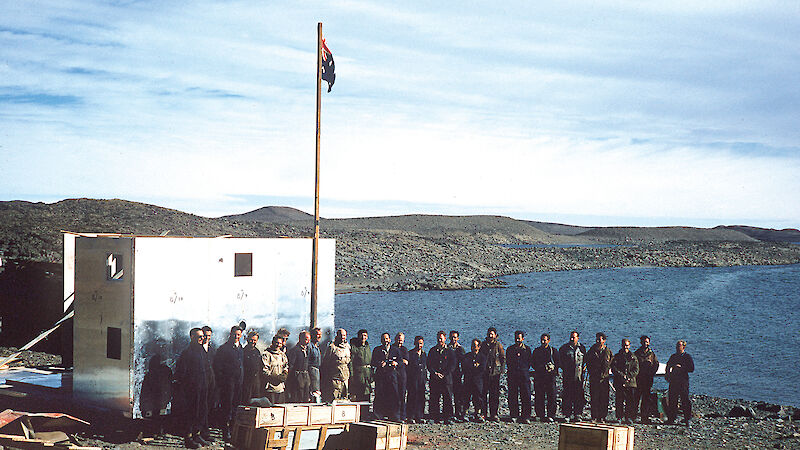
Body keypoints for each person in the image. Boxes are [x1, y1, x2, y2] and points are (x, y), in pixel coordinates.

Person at [176, 328, 210, 449]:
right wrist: (188, 386)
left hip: (202, 388)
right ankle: (188, 438)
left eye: (202, 337)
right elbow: (181, 373)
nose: (202, 339)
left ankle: (197, 434)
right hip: (192, 390)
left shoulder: (202, 351)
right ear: (192, 337)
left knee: (201, 412)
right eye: (199, 337)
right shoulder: (187, 353)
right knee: (191, 414)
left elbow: (207, 369)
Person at [213, 325, 244, 441]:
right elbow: (218, 367)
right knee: (227, 408)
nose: (237, 336)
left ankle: (232, 430)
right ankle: (225, 432)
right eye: (235, 334)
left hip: (238, 383)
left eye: (239, 335)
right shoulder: (224, 349)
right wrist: (224, 381)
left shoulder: (240, 348)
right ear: (230, 334)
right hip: (228, 384)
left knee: (235, 407)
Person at [427, 330, 457, 424]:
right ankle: (434, 416)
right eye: (438, 338)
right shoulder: (432, 350)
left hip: (446, 379)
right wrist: (435, 373)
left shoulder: (450, 351)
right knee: (434, 398)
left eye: (441, 338)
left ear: (445, 338)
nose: (440, 340)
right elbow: (429, 364)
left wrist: (444, 374)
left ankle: (447, 417)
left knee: (447, 398)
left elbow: (453, 364)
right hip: (435, 378)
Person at [665, 340, 694, 426]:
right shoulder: (673, 356)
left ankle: (687, 419)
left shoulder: (687, 357)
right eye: (677, 346)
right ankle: (671, 418)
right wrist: (667, 374)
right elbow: (668, 365)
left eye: (679, 346)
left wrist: (681, 367)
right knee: (672, 400)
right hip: (674, 381)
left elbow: (691, 368)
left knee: (685, 400)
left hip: (683, 381)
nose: (677, 348)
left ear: (683, 347)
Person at [559, 331, 587, 422]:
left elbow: (586, 361)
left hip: (578, 377)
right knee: (567, 395)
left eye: (574, 337)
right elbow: (560, 361)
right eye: (571, 337)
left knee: (578, 395)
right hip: (568, 376)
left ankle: (578, 414)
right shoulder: (564, 348)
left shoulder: (582, 348)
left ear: (577, 338)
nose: (572, 339)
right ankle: (567, 414)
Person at [479, 327, 505, 422]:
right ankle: (484, 413)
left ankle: (494, 414)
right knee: (483, 394)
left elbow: (503, 358)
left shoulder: (498, 345)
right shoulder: (483, 345)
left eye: (492, 334)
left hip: (495, 373)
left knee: (494, 395)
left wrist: (501, 370)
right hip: (485, 373)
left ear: (495, 335)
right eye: (489, 334)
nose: (490, 335)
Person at [506, 330, 533, 423]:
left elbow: (530, 362)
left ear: (523, 339)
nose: (517, 340)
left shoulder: (527, 349)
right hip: (513, 375)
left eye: (519, 338)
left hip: (524, 376)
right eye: (516, 338)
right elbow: (508, 362)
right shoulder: (510, 349)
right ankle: (514, 414)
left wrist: (524, 369)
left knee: (526, 395)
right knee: (513, 395)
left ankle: (526, 416)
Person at [585, 332, 613, 422]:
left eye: (600, 339)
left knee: (604, 398)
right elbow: (587, 362)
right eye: (597, 339)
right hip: (594, 378)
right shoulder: (591, 351)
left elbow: (612, 363)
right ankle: (594, 416)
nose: (597, 340)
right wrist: (592, 372)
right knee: (594, 398)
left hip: (604, 378)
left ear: (604, 340)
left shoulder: (608, 351)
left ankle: (602, 417)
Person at [532, 333, 559, 422]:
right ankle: (540, 414)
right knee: (539, 396)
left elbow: (558, 363)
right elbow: (533, 363)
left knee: (552, 396)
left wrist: (553, 369)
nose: (543, 342)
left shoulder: (553, 351)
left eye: (545, 340)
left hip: (550, 377)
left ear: (549, 340)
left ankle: (551, 415)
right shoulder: (537, 351)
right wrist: (541, 368)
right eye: (542, 340)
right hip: (539, 377)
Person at [611, 338, 639, 424]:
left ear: (629, 346)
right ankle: (619, 417)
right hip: (619, 382)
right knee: (619, 401)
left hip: (630, 383)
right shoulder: (617, 356)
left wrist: (629, 376)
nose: (625, 347)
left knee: (630, 401)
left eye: (627, 345)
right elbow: (614, 368)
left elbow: (636, 369)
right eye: (624, 345)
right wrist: (621, 375)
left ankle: (628, 417)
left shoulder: (633, 357)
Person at [371, 332, 399, 419]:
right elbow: (373, 362)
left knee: (393, 395)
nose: (385, 341)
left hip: (391, 375)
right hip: (381, 376)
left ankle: (393, 415)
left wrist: (395, 363)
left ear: (390, 340)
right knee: (379, 394)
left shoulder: (395, 350)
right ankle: (378, 415)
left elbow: (401, 362)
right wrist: (380, 364)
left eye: (386, 339)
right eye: (383, 339)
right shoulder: (377, 350)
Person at [634, 335, 659, 424]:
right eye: (644, 342)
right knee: (636, 398)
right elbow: (634, 365)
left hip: (648, 380)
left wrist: (651, 373)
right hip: (639, 379)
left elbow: (656, 365)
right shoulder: (637, 353)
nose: (645, 344)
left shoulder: (652, 354)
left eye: (647, 342)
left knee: (646, 399)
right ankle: (633, 416)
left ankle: (644, 417)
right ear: (641, 342)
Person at [322, 328, 351, 402]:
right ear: (337, 336)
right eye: (340, 335)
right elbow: (326, 362)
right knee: (334, 397)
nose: (342, 337)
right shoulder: (332, 347)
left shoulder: (347, 347)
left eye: (344, 335)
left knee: (345, 396)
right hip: (335, 376)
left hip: (345, 376)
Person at [462, 339, 487, 422]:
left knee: (478, 397)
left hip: (478, 380)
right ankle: (465, 413)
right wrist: (474, 366)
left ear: (479, 347)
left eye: (475, 345)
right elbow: (465, 367)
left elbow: (482, 369)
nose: (473, 347)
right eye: (472, 345)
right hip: (468, 380)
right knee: (466, 397)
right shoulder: (467, 356)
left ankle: (478, 413)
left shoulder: (482, 357)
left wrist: (473, 367)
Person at [406, 336, 427, 424]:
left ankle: (419, 416)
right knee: (412, 397)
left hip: (422, 379)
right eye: (418, 343)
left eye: (421, 343)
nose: (419, 345)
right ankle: (410, 416)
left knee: (421, 397)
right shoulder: (410, 353)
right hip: (412, 379)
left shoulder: (424, 354)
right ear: (414, 343)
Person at [263, 335, 289, 405]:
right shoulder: (266, 354)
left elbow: (285, 366)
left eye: (280, 343)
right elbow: (265, 370)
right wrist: (275, 378)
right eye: (276, 343)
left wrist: (285, 374)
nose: (278, 345)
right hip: (270, 387)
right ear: (272, 342)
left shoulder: (282, 355)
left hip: (280, 388)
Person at [287, 331, 312, 403]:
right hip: (297, 377)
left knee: (306, 396)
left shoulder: (307, 350)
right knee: (298, 396)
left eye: (309, 340)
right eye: (306, 339)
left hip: (306, 376)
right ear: (300, 338)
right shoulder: (295, 350)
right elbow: (291, 365)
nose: (308, 341)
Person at [448, 330, 467, 422]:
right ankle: (449, 413)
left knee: (458, 395)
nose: (453, 339)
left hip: (457, 374)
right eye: (451, 337)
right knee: (448, 394)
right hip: (448, 374)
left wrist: (464, 373)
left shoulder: (461, 349)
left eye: (455, 337)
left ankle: (459, 413)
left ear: (458, 338)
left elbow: (464, 362)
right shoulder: (447, 348)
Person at [201, 325, 216, 436]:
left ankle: (205, 430)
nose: (207, 338)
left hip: (210, 383)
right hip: (200, 384)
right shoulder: (197, 349)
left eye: (209, 336)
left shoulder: (212, 349)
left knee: (208, 406)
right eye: (205, 335)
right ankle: (199, 431)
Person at [349, 329, 373, 402]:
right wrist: (352, 375)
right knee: (359, 395)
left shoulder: (367, 347)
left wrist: (372, 375)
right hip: (358, 375)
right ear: (358, 336)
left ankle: (366, 412)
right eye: (361, 335)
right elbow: (351, 362)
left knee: (367, 395)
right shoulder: (355, 347)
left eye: (365, 335)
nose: (363, 337)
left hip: (367, 375)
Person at [242, 331, 265, 403]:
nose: (253, 342)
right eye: (251, 340)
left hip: (256, 382)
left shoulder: (257, 352)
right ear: (247, 339)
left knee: (256, 402)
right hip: (246, 382)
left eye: (255, 340)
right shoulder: (243, 351)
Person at [391, 333, 410, 421]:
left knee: (402, 395)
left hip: (402, 374)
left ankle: (402, 415)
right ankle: (393, 414)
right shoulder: (392, 348)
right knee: (393, 394)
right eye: (398, 339)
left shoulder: (404, 349)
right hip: (393, 374)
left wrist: (398, 361)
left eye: (401, 340)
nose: (400, 341)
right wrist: (400, 361)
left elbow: (406, 362)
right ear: (395, 339)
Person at [309, 327, 323, 402]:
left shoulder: (317, 347)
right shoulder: (310, 347)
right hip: (311, 371)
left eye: (320, 334)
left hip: (317, 371)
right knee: (313, 391)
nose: (319, 336)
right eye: (317, 334)